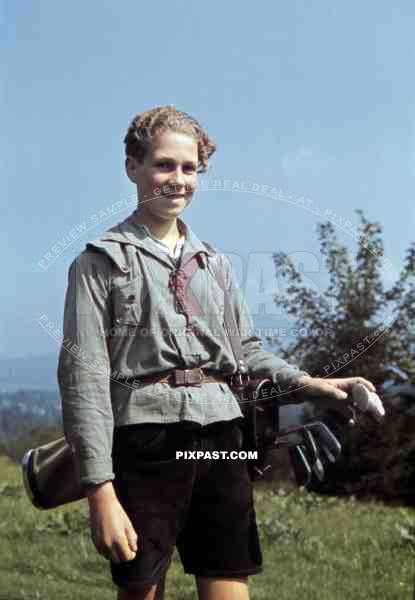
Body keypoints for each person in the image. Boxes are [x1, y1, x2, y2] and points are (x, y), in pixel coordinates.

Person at [57, 105, 376, 600]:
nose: (178, 180)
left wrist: (317, 385)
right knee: (142, 586)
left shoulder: (216, 265)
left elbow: (246, 352)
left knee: (229, 576)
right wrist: (100, 491)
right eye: (164, 164)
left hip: (223, 436)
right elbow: (84, 379)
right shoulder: (99, 263)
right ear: (133, 167)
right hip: (145, 441)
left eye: (189, 168)